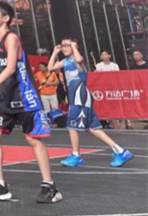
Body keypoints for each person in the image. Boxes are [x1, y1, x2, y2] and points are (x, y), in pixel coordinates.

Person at [0, 1, 60, 204]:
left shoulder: (11, 38)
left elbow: (11, 68)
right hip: (3, 97)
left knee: (33, 139)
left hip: (23, 96)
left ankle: (50, 186)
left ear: (5, 18)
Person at [48, 39, 133, 168]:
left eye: (67, 45)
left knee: (72, 127)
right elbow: (50, 68)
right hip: (77, 98)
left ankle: (76, 156)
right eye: (62, 46)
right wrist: (55, 52)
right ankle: (120, 151)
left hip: (80, 97)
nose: (64, 48)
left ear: (74, 47)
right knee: (92, 128)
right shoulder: (65, 61)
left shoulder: (78, 60)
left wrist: (74, 46)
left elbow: (79, 59)